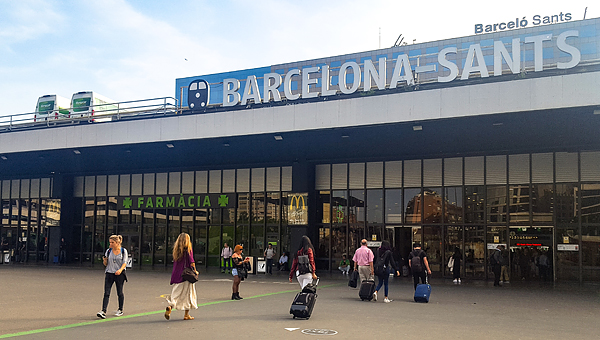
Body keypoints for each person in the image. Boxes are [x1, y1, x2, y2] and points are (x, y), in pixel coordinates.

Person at [164, 233, 198, 321]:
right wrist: (195, 270)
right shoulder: (188, 249)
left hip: (177, 275)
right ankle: (186, 314)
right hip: (186, 275)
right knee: (189, 294)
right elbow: (191, 261)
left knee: (176, 294)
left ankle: (170, 306)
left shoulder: (176, 250)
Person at [97, 235, 128, 319]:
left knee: (119, 292)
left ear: (117, 243)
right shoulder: (108, 251)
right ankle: (103, 311)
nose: (110, 244)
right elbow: (106, 264)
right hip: (109, 273)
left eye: (112, 242)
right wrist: (105, 261)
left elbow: (125, 262)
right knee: (106, 292)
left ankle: (120, 309)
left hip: (119, 274)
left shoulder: (123, 251)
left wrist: (120, 270)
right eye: (110, 242)